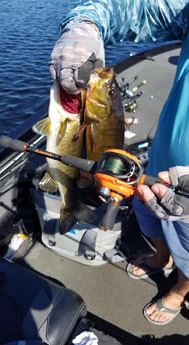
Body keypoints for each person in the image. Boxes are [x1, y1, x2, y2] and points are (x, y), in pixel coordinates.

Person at [49, 0, 189, 325]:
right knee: (149, 215)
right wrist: (86, 25)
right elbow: (131, 10)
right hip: (159, 162)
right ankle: (159, 254)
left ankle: (181, 288)